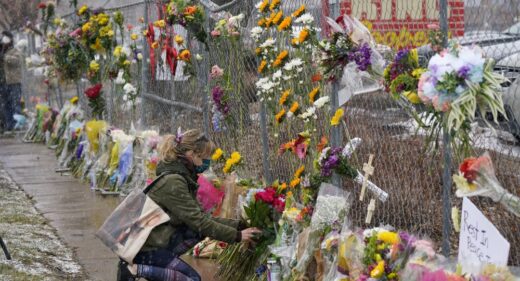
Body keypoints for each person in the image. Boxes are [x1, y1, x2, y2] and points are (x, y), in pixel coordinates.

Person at [118, 129, 261, 281]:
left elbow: (201, 218)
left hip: (155, 245)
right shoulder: (174, 181)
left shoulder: (182, 177)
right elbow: (199, 222)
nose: (206, 163)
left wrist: (239, 225)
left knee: (194, 234)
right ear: (192, 154)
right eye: (204, 158)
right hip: (145, 251)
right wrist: (237, 236)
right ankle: (136, 270)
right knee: (192, 278)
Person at [0, 31, 22, 132]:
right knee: (5, 105)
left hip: (13, 82)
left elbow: (17, 61)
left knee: (15, 104)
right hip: (2, 83)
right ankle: (9, 126)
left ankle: (17, 126)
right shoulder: (1, 50)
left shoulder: (15, 50)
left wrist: (4, 57)